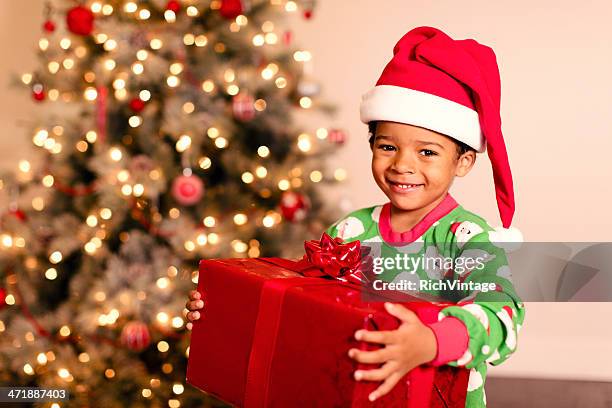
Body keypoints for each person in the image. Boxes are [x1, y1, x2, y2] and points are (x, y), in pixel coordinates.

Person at [186, 26, 525, 407]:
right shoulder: (351, 230)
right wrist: (226, 310)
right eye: (387, 146)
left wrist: (432, 341)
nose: (402, 165)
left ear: (462, 162)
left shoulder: (469, 237)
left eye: (427, 152)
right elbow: (302, 298)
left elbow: (503, 318)